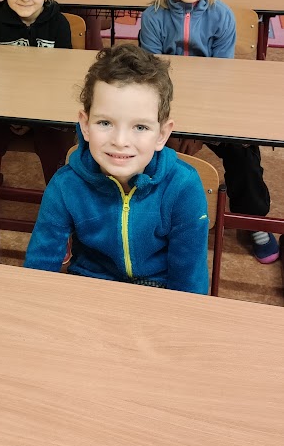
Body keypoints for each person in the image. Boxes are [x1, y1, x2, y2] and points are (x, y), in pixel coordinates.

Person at [24, 43, 210, 294]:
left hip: (158, 292)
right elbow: (38, 269)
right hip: (90, 286)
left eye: (140, 127)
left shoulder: (183, 187)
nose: (120, 141)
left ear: (162, 134)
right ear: (85, 125)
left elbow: (189, 282)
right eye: (105, 123)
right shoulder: (65, 185)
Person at [139, 0, 276, 264]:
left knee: (244, 151)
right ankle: (146, 215)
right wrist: (177, 126)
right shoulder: (153, 16)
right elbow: (151, 77)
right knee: (141, 147)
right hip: (164, 106)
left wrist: (201, 129)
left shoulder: (222, 16)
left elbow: (220, 77)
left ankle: (253, 218)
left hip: (212, 103)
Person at [0, 0, 75, 183]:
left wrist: (32, 117)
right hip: (6, 105)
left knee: (56, 149)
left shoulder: (59, 24)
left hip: (47, 105)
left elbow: (62, 75)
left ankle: (57, 195)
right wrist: (14, 115)